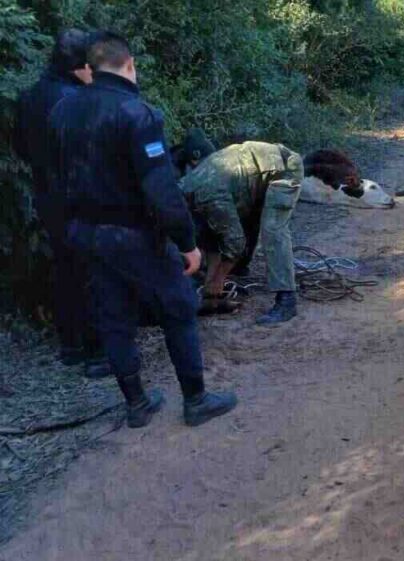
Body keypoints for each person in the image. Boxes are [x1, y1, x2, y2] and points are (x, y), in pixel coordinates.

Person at [49, 31, 237, 428]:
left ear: (91, 67)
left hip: (86, 234)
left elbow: (57, 176)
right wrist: (187, 242)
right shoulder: (137, 114)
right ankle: (196, 400)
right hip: (134, 235)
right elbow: (161, 189)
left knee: (113, 315)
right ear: (130, 64)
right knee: (179, 307)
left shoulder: (63, 109)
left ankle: (137, 404)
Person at [13, 29, 110, 378]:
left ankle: (71, 346)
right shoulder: (77, 100)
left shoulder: (29, 96)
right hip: (80, 196)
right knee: (92, 271)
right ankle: (97, 352)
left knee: (65, 269)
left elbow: (21, 149)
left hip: (48, 196)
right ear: (80, 65)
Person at [178, 141, 304, 324]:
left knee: (273, 230)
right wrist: (209, 282)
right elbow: (210, 238)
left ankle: (287, 301)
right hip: (256, 175)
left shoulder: (208, 196)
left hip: (283, 170)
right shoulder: (185, 187)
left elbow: (235, 243)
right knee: (222, 227)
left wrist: (218, 279)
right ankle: (236, 272)